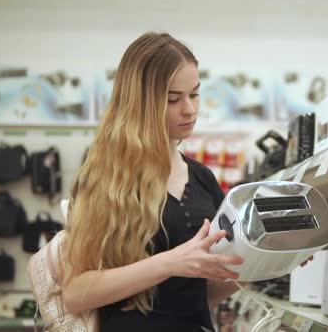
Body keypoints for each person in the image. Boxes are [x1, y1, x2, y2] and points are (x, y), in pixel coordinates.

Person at [61, 32, 247, 332]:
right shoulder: (106, 179)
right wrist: (168, 263)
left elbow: (201, 297)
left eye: (195, 94)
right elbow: (75, 293)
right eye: (173, 99)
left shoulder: (202, 178)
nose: (190, 109)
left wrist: (262, 267)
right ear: (140, 102)